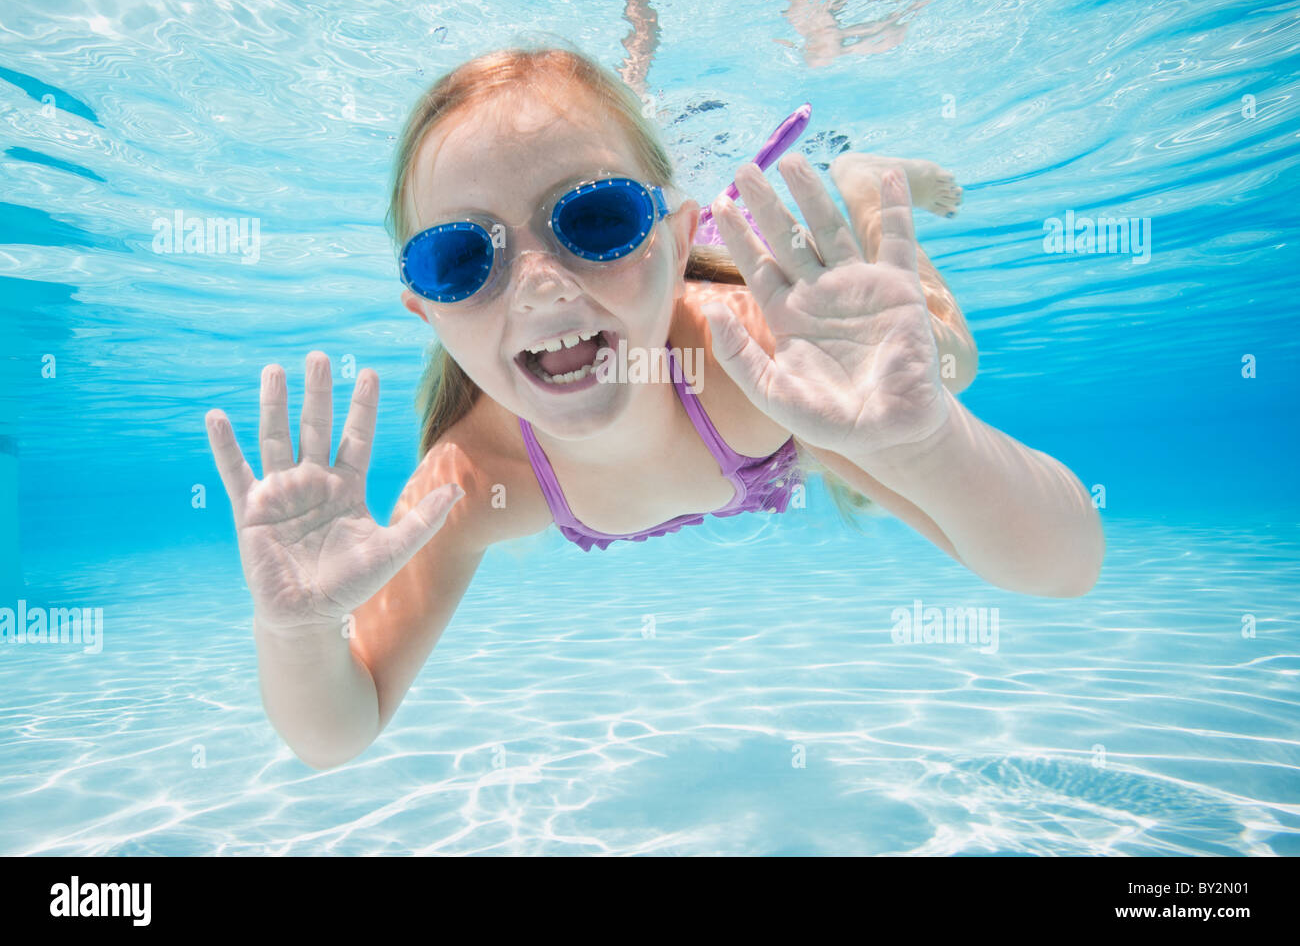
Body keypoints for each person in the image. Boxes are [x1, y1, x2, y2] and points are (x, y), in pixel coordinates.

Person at [204, 46, 1104, 769]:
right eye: (458, 261)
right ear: (428, 311)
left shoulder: (766, 364)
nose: (542, 286)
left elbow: (1063, 565)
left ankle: (864, 193)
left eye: (594, 219)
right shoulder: (475, 482)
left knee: (947, 363)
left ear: (675, 247)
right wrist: (297, 628)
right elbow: (336, 733)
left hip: (739, 371)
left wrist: (929, 440)